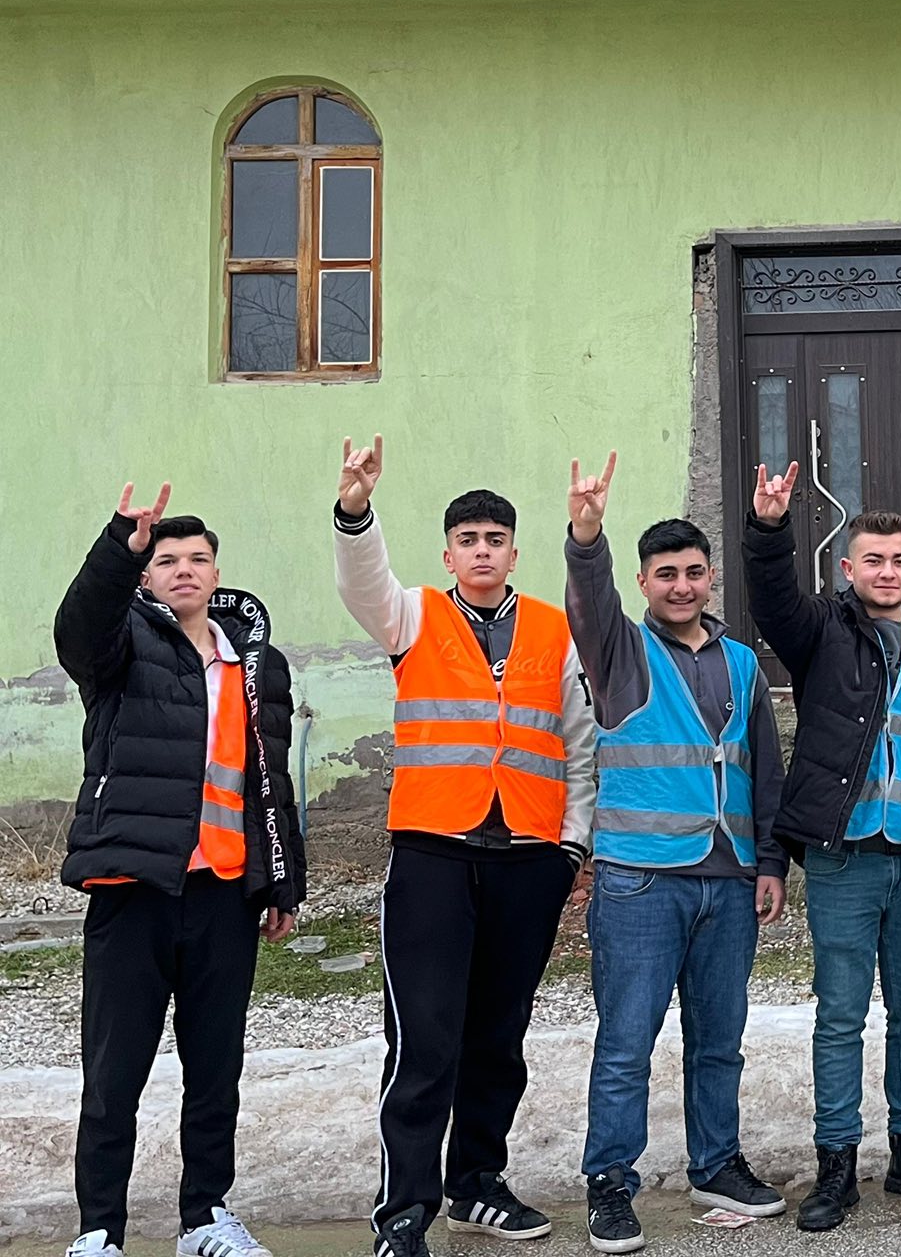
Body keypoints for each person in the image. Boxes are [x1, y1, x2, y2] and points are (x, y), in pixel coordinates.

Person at [331, 436, 597, 1257]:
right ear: (448, 552)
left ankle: (476, 1182)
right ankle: (404, 1210)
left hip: (527, 855)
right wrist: (354, 510)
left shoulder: (556, 628)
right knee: (425, 1036)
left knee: (498, 1035)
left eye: (495, 540)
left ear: (514, 551)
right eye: (468, 540)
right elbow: (361, 582)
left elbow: (580, 741)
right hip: (434, 856)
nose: (482, 551)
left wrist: (572, 846)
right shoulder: (412, 613)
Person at [742, 462, 901, 1233]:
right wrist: (767, 527)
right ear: (848, 569)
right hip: (845, 857)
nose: (887, 573)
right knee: (841, 1016)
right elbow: (773, 601)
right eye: (872, 561)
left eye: (900, 560)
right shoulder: (821, 630)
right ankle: (836, 1164)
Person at [56, 484, 306, 1257]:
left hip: (224, 892)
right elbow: (78, 628)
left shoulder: (256, 663)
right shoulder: (120, 648)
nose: (185, 570)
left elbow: (271, 779)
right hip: (134, 888)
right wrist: (116, 546)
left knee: (215, 1069)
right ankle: (100, 1230)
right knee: (114, 1072)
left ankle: (205, 1217)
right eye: (167, 560)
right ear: (147, 575)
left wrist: (282, 880)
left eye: (198, 558)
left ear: (217, 570)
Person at [562, 452, 790, 1251]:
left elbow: (765, 765)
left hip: (728, 881)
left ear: (709, 577)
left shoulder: (741, 662)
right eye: (667, 574)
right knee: (626, 1042)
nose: (683, 585)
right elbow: (588, 602)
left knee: (718, 1039)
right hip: (640, 883)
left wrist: (770, 863)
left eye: (694, 572)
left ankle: (716, 1164)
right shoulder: (618, 651)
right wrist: (586, 533)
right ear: (645, 581)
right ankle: (610, 1183)